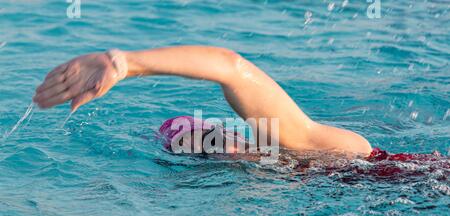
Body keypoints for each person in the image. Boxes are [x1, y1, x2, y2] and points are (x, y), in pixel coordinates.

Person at [32, 46, 372, 159]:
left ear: (241, 133)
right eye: (205, 149)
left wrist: (123, 63)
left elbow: (231, 68)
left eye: (214, 135)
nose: (219, 144)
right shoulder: (269, 183)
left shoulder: (321, 145)